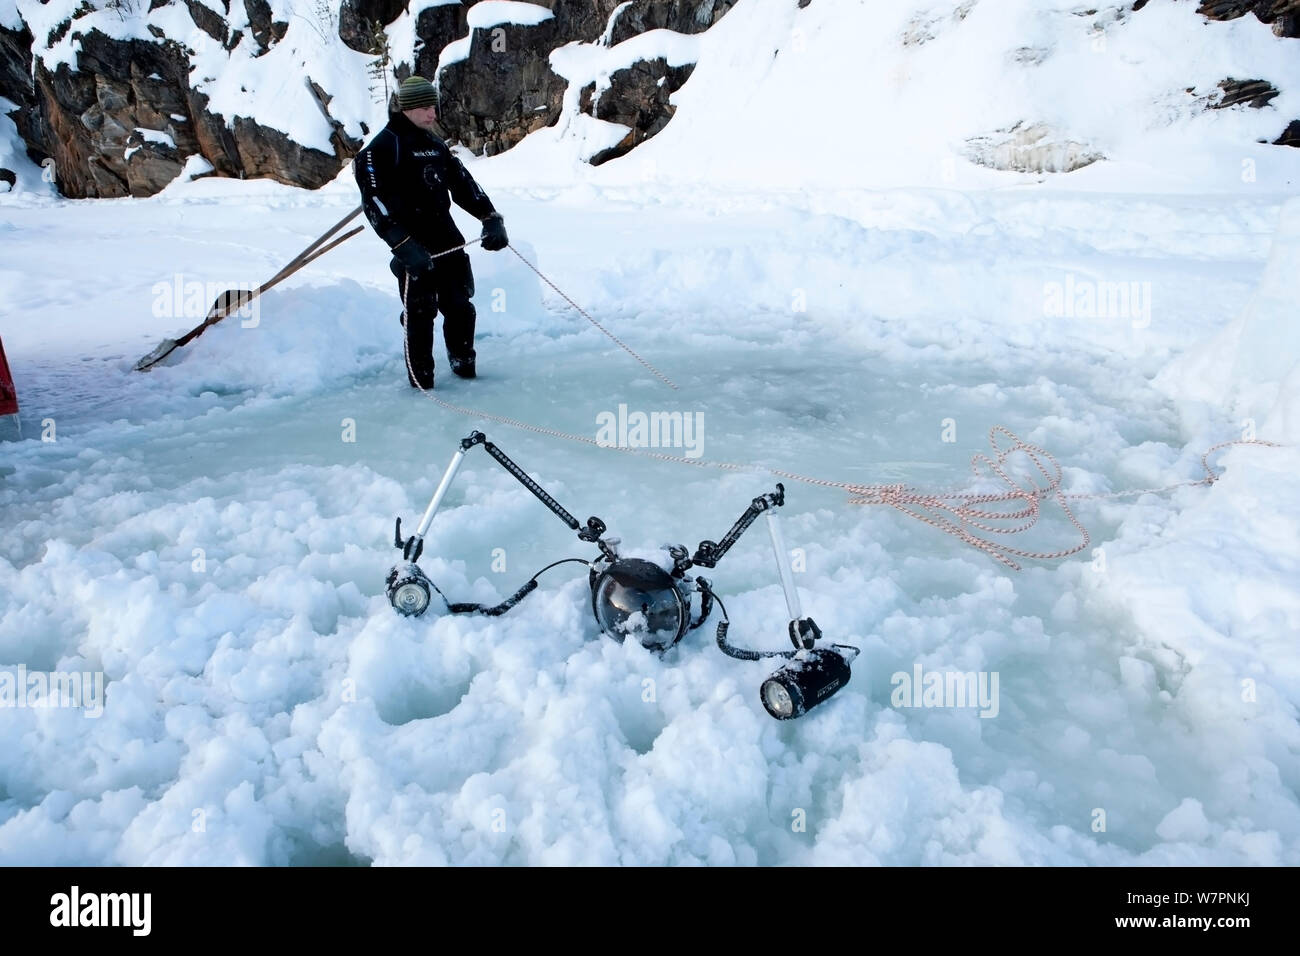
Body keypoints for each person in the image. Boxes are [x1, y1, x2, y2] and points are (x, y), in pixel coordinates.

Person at [353, 75, 509, 388]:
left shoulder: (435, 146)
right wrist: (402, 244)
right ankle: (421, 383)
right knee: (420, 314)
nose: (432, 114)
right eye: (424, 108)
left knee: (461, 308)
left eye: (433, 107)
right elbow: (375, 203)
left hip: (448, 242)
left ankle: (466, 371)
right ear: (407, 109)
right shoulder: (382, 149)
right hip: (414, 248)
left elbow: (464, 185)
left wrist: (490, 217)